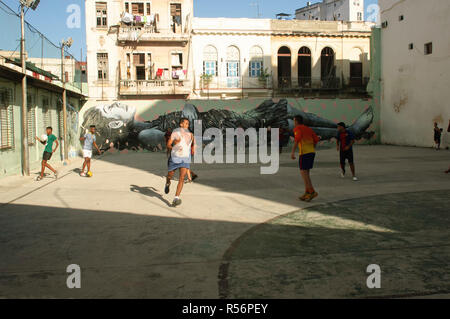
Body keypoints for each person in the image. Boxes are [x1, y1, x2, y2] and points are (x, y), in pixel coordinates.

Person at [165, 118, 196, 207]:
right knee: (170, 175)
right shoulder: (175, 134)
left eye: (188, 124)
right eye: (185, 123)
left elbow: (193, 144)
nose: (187, 125)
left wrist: (193, 149)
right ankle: (168, 183)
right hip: (174, 158)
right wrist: (174, 147)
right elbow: (168, 144)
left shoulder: (191, 135)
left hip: (185, 159)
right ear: (181, 124)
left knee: (182, 177)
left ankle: (176, 197)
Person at [291, 115, 320, 202]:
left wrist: (292, 152)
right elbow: (316, 140)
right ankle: (307, 192)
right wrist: (312, 148)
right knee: (306, 173)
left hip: (304, 153)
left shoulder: (297, 129)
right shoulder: (308, 129)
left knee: (303, 173)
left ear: (296, 121)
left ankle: (311, 191)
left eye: (294, 121)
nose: (293, 122)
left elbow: (297, 139)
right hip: (311, 153)